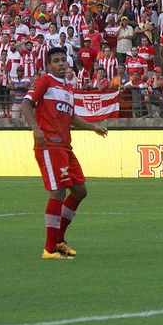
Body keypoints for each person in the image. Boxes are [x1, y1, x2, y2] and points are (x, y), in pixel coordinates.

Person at [21, 47, 108, 259]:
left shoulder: (69, 88)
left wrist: (93, 127)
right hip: (49, 145)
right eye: (56, 61)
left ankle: (59, 240)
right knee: (58, 192)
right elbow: (25, 104)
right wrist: (35, 128)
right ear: (49, 65)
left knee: (80, 191)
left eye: (63, 60)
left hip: (65, 148)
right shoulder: (45, 81)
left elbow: (71, 117)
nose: (61, 64)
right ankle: (49, 249)